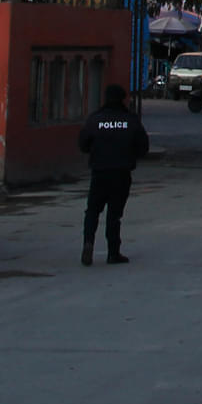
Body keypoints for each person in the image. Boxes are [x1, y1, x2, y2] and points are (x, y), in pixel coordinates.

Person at [80, 83, 150, 266]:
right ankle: (113, 252)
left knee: (92, 211)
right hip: (121, 173)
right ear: (122, 99)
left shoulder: (95, 120)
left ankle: (88, 243)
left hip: (99, 172)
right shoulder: (130, 120)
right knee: (114, 215)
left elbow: (83, 144)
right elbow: (143, 147)